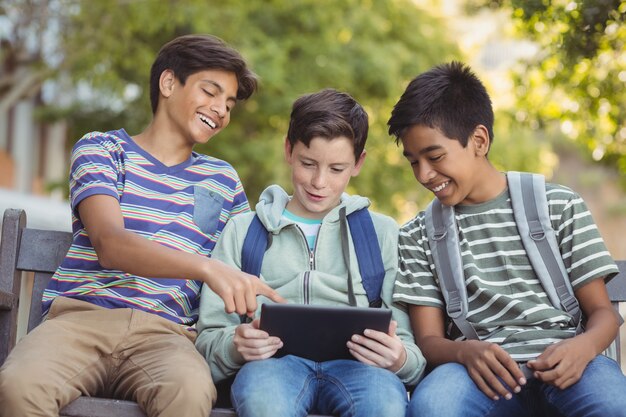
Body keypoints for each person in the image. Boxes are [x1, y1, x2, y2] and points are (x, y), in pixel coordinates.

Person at [0, 34, 284, 417]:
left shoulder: (223, 179)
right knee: (19, 387)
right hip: (82, 319)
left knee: (191, 392)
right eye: (211, 92)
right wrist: (204, 266)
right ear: (168, 83)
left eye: (229, 104)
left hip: (168, 335)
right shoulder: (101, 150)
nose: (220, 110)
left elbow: (242, 260)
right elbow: (110, 243)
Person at [387, 61, 626, 417]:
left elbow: (603, 314)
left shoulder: (558, 205)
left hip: (572, 364)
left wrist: (583, 348)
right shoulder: (418, 234)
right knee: (432, 407)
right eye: (413, 162)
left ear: (479, 140)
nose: (424, 174)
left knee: (613, 406)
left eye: (435, 157)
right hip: (476, 375)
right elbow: (429, 341)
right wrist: (464, 352)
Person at [195, 88, 426, 417]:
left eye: (336, 169)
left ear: (358, 164)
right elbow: (208, 341)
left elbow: (411, 352)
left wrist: (399, 358)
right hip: (271, 369)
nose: (319, 182)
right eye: (308, 164)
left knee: (385, 408)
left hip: (364, 372)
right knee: (265, 405)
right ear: (289, 150)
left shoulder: (382, 234)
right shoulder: (243, 231)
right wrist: (236, 344)